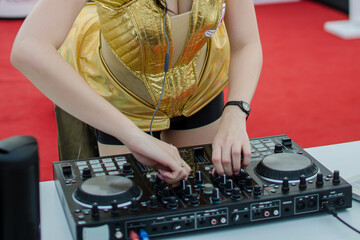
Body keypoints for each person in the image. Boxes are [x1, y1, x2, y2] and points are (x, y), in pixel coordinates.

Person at [11, 0, 262, 185]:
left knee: (206, 195)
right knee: (131, 209)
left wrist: (236, 113)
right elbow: (28, 48)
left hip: (200, 86)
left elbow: (246, 43)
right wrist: (130, 135)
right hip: (122, 96)